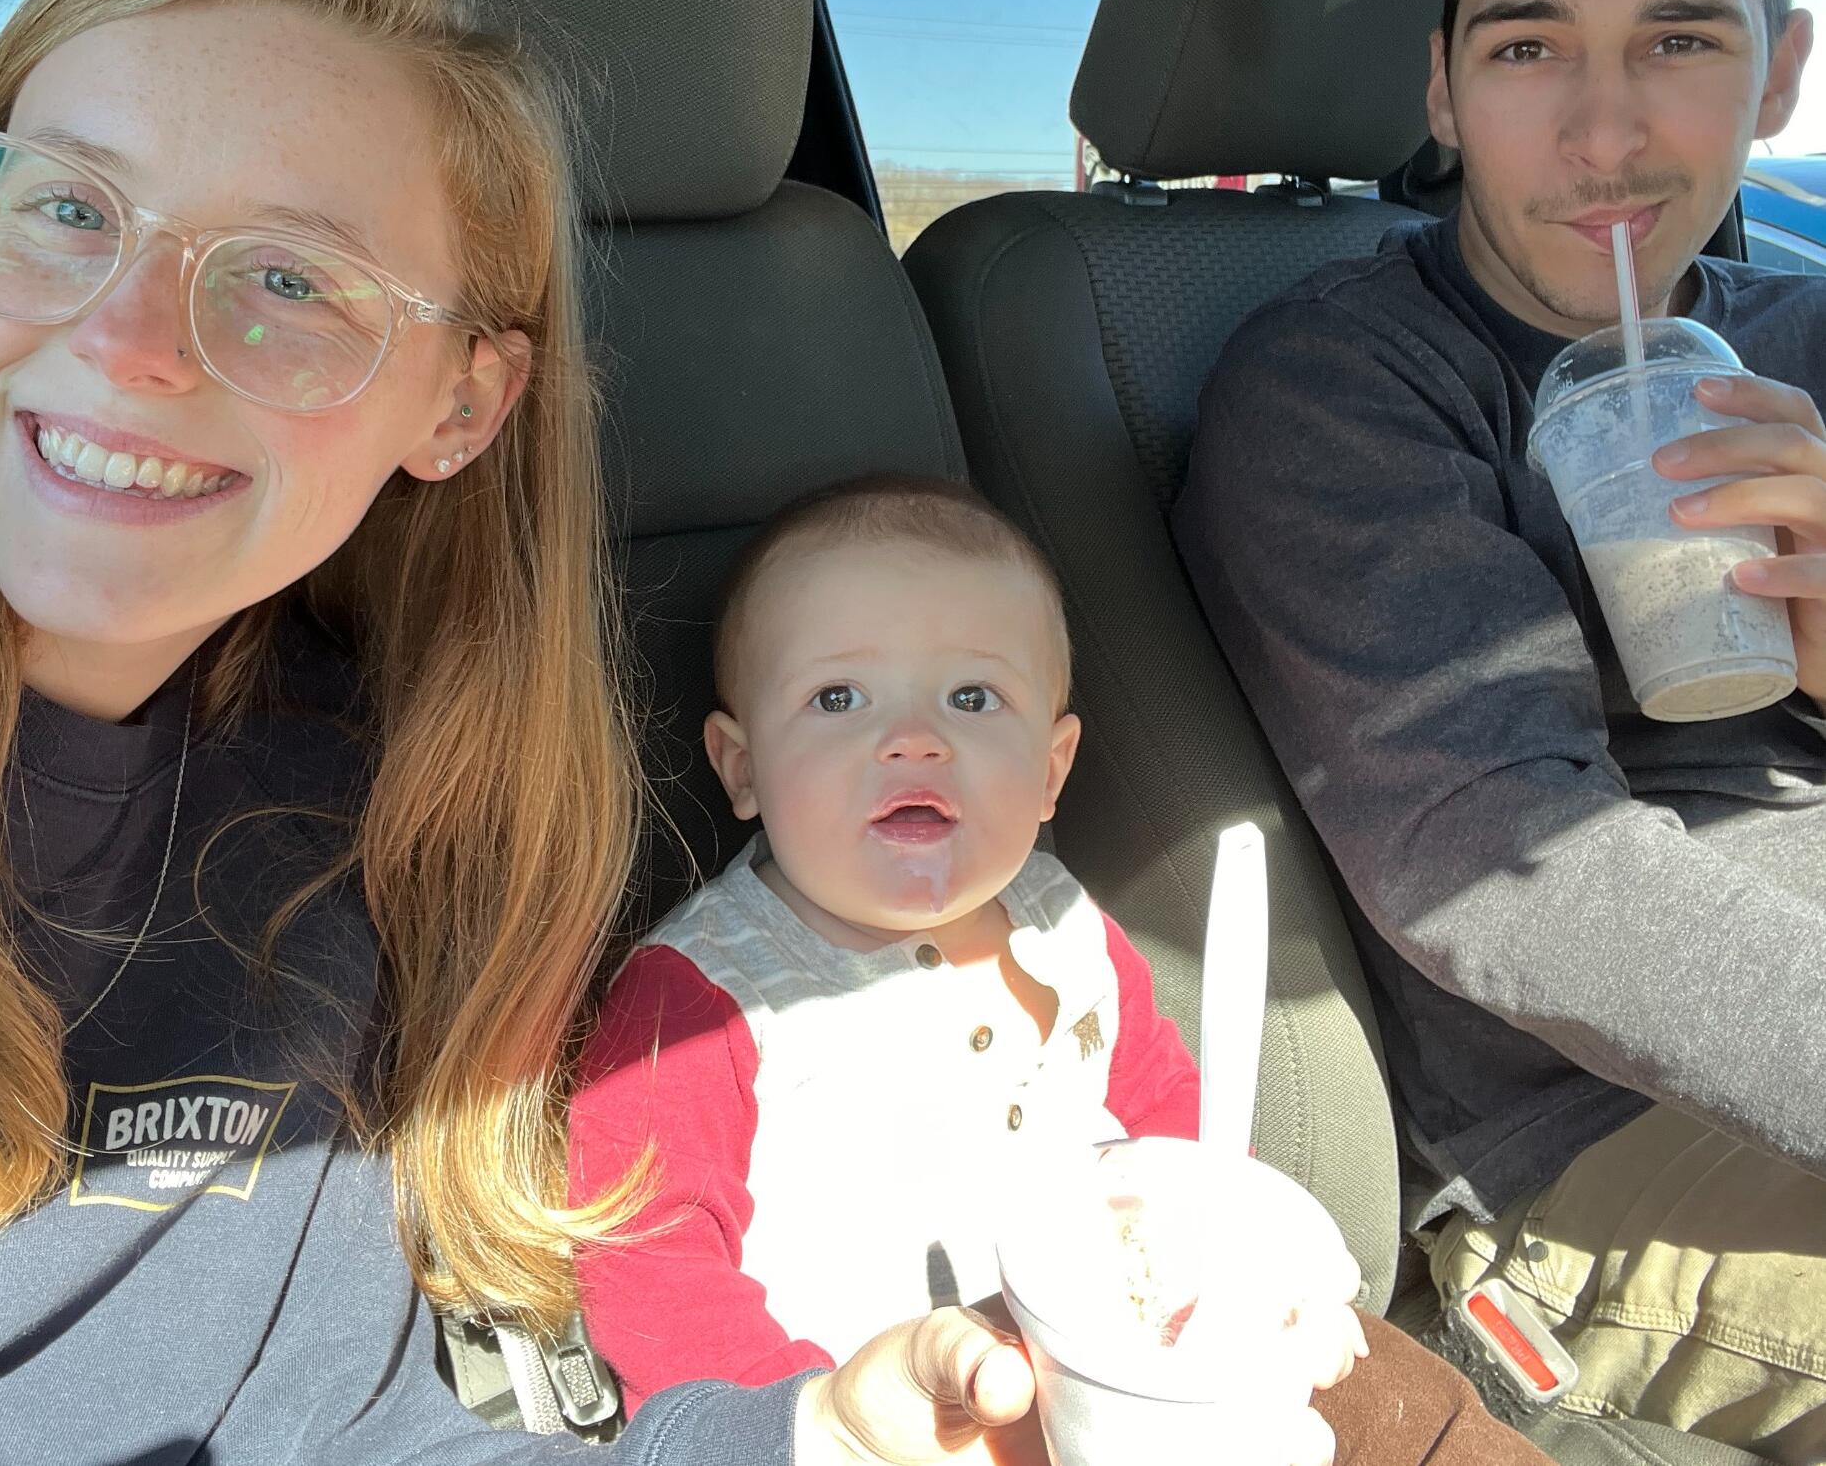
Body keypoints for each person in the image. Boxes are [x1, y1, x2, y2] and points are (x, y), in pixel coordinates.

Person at [0, 0, 1060, 1466]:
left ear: (462, 406)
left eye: (289, 278)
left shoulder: (346, 787)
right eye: (66, 206)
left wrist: (817, 1440)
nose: (130, 336)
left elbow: (353, 1428)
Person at [1176, 0, 1826, 1458]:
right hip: (1597, 1147)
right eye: (1530, 46)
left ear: (1780, 75)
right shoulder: (1342, 387)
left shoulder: (1805, 345)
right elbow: (1516, 880)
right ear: (1445, 90)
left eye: (1680, 39)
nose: (1603, 129)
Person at [570, 473, 1554, 1466]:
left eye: (970, 696)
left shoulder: (1063, 917)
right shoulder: (699, 999)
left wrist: (1250, 1272)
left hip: (1137, 1353)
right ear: (742, 768)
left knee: (1396, 1399)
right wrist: (800, 1426)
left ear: (1050, 771)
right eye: (838, 697)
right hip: (896, 1415)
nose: (912, 738)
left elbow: (1168, 1111)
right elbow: (647, 1267)